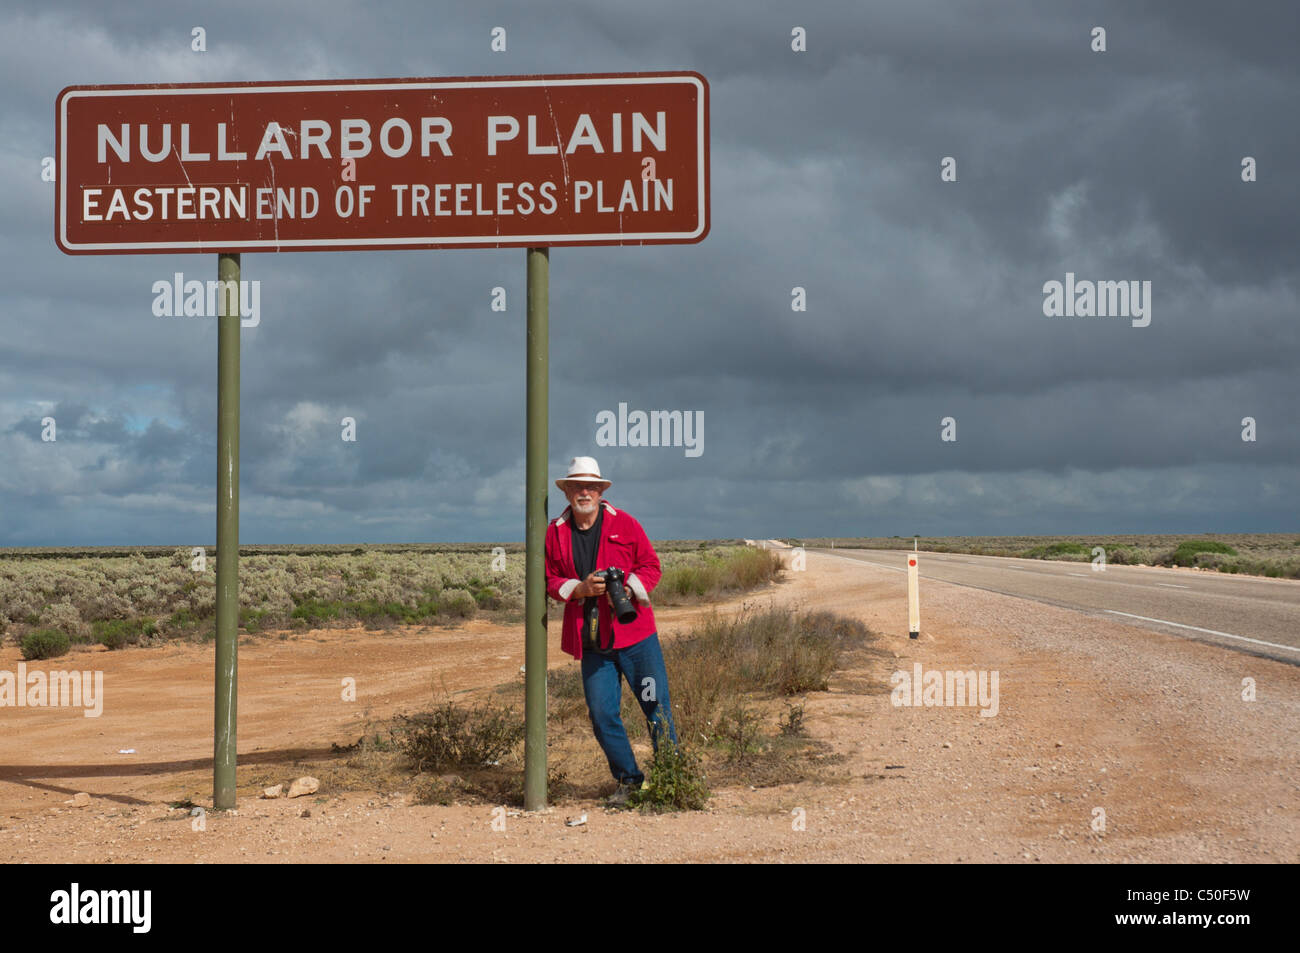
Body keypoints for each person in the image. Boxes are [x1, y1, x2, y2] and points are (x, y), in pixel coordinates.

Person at [544, 456, 678, 806]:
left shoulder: (626, 524)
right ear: (567, 491)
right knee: (602, 714)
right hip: (591, 641)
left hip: (635, 637)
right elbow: (550, 579)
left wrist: (632, 589)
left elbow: (651, 565)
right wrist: (580, 589)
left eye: (590, 486)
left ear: (601, 491)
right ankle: (630, 782)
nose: (583, 492)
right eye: (576, 486)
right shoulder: (555, 533)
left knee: (655, 706)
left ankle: (674, 780)